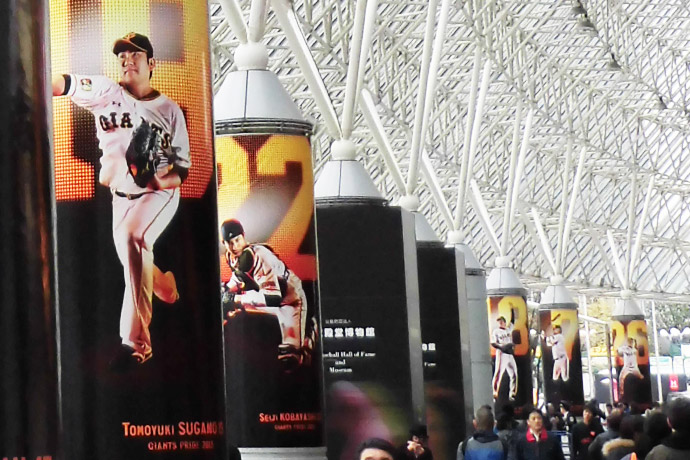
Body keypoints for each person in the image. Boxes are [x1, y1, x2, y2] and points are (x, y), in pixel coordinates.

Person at [52, 32, 189, 371]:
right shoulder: (106, 92)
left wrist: (156, 179)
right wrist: (33, 82)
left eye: (135, 54)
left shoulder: (169, 110)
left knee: (133, 239)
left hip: (158, 195)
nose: (127, 61)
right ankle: (166, 288)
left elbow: (181, 170)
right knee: (134, 261)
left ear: (151, 63)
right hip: (119, 197)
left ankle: (136, 345)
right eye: (122, 56)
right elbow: (64, 84)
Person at [220, 218, 311, 368]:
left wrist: (236, 299)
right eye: (230, 242)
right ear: (224, 243)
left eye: (237, 240)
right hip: (264, 295)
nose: (234, 246)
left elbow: (273, 298)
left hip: (290, 300)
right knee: (233, 310)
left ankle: (310, 337)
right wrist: (226, 289)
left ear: (244, 236)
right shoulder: (232, 256)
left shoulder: (260, 255)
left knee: (291, 358)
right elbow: (238, 276)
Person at [491, 312, 518, 400]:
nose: (500, 323)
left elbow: (512, 321)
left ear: (504, 322)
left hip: (509, 354)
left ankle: (512, 394)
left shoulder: (508, 329)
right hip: (502, 353)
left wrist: (512, 311)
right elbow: (493, 343)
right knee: (499, 373)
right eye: (499, 321)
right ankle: (494, 393)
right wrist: (502, 347)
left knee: (514, 374)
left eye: (501, 321)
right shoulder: (496, 331)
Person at [617, 338, 643, 402]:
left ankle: (641, 393)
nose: (630, 343)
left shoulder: (634, 350)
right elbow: (619, 351)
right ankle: (622, 394)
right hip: (627, 367)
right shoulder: (625, 348)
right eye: (629, 342)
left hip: (634, 367)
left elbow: (631, 350)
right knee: (621, 378)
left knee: (641, 378)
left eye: (631, 342)